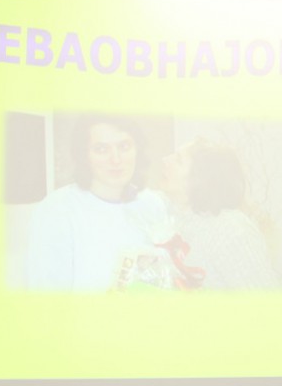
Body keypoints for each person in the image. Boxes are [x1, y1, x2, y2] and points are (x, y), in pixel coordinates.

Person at [25, 114, 175, 292]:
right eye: (101, 149)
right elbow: (46, 295)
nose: (116, 159)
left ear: (137, 150)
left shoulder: (152, 204)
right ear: (84, 156)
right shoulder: (56, 210)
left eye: (124, 146)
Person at [159, 139, 279, 290]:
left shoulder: (232, 231)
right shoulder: (174, 214)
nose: (165, 160)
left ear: (200, 179)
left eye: (178, 160)